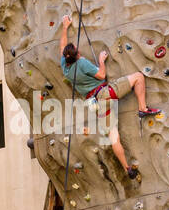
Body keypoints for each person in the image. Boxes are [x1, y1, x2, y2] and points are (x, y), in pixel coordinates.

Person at [58, 14, 159, 179]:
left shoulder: (65, 68)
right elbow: (101, 75)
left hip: (94, 103)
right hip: (105, 93)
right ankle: (142, 108)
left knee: (114, 137)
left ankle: (128, 168)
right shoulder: (82, 64)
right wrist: (101, 60)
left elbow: (62, 47)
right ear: (76, 55)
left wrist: (65, 27)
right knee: (138, 77)